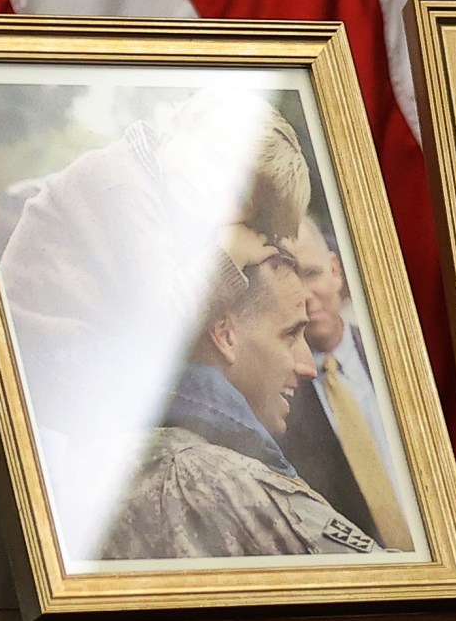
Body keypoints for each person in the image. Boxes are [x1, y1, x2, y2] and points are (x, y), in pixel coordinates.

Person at [0, 90, 312, 439]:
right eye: (213, 156)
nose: (211, 185)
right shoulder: (120, 181)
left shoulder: (158, 192)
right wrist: (230, 254)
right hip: (40, 357)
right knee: (206, 393)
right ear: (177, 124)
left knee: (207, 388)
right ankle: (279, 477)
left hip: (77, 354)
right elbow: (160, 325)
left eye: (235, 195)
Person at [98, 227, 380, 561]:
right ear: (225, 336)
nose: (308, 366)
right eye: (290, 335)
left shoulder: (126, 459)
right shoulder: (222, 478)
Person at [277, 217, 421, 549]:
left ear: (335, 270)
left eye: (312, 273)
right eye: (290, 279)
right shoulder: (279, 398)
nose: (306, 295)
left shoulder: (400, 358)